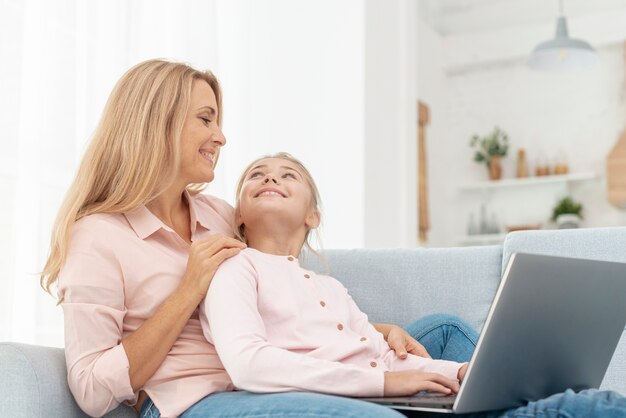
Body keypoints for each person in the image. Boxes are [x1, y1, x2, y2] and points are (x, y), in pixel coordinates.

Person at [39, 59, 475, 418]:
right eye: (206, 120)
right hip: (196, 399)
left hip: (277, 377)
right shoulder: (98, 237)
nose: (221, 137)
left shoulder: (222, 216)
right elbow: (91, 389)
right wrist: (187, 292)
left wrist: (376, 332)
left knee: (446, 333)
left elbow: (283, 299)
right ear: (159, 123)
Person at [201, 152, 626, 418]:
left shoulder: (330, 288)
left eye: (288, 175)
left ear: (313, 216)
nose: (271, 178)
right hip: (356, 400)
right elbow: (249, 364)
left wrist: (462, 371)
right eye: (256, 175)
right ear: (238, 215)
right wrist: (386, 384)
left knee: (577, 405)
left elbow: (384, 358)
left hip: (386, 393)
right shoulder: (235, 268)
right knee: (588, 407)